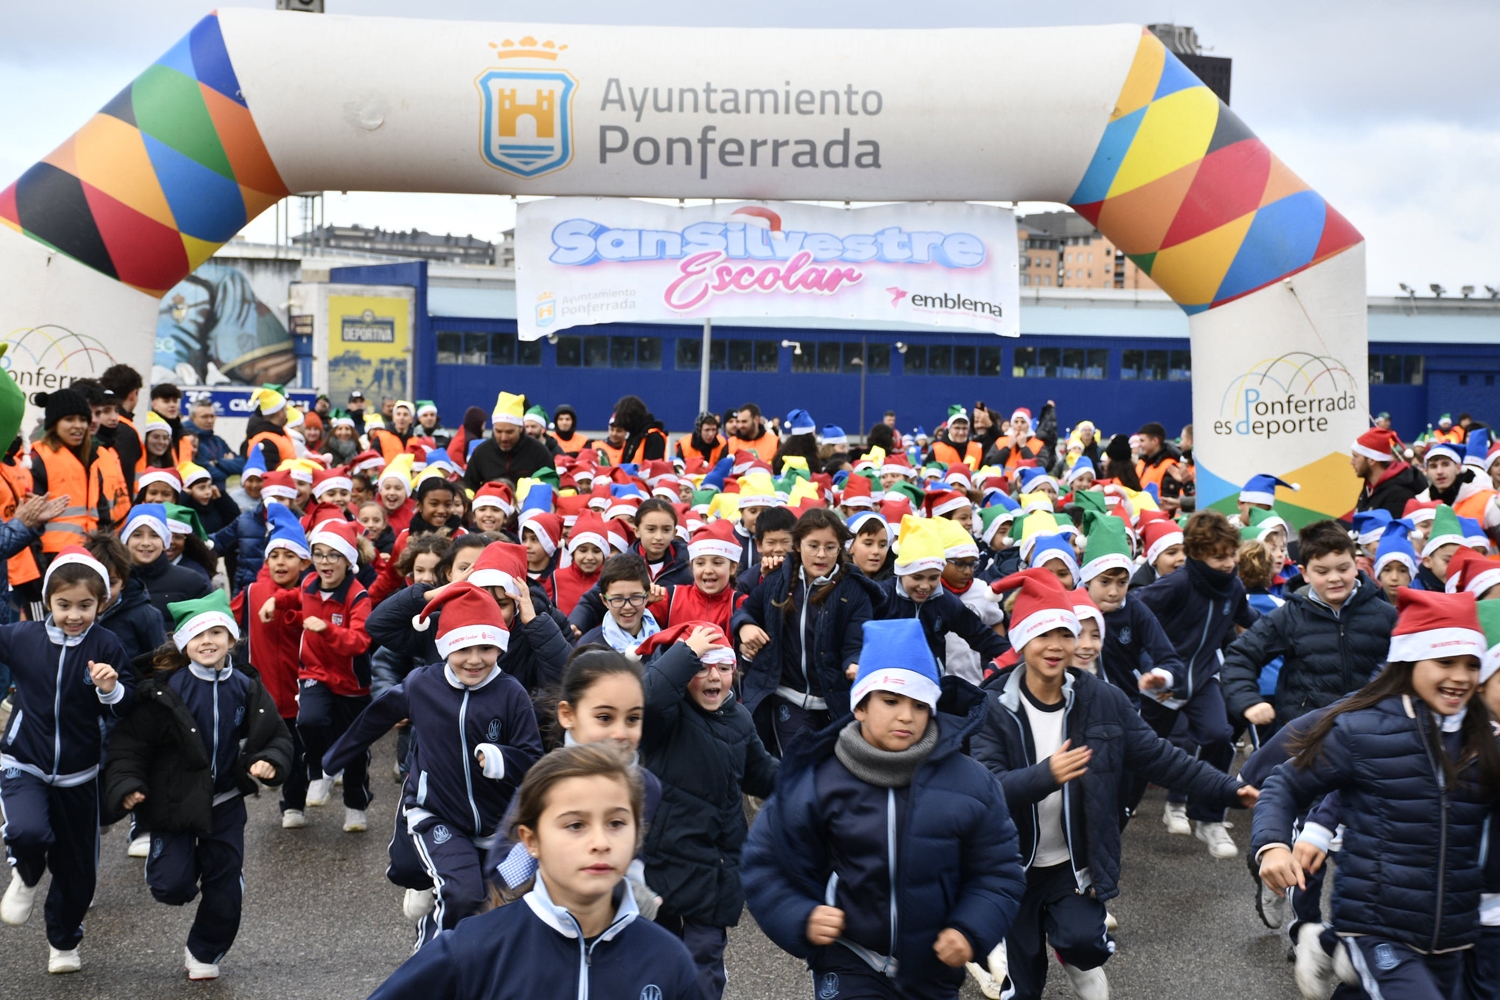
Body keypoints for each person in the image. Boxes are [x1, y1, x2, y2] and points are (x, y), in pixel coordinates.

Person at [972, 569, 1257, 1000]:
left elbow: (1159, 757)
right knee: (1026, 983)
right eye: (1043, 635)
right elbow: (988, 787)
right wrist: (1045, 775)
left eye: (1065, 635)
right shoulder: (992, 707)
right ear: (1021, 640)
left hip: (1075, 860)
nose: (1056, 647)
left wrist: (1227, 789)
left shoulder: (1103, 700)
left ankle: (1078, 957)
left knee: (1083, 943)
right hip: (1009, 865)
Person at [743, 618, 1026, 1000]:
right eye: (891, 701)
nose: (906, 716)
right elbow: (765, 863)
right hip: (848, 958)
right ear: (859, 706)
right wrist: (801, 915)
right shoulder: (817, 779)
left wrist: (969, 929)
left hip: (934, 968)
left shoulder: (972, 783)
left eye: (920, 704)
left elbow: (999, 871)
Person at [1253, 588, 1498, 1000]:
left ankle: (1330, 949)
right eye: (1445, 662)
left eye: (1471, 665)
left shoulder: (1484, 744)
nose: (1460, 676)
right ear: (1410, 659)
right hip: (1376, 925)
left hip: (1451, 934)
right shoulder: (1362, 728)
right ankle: (1341, 943)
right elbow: (1285, 783)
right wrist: (1274, 845)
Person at [364, 744, 698, 1000]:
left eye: (616, 823)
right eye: (575, 824)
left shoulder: (668, 959)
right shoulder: (472, 950)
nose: (600, 842)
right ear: (531, 840)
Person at [325, 583, 544, 947]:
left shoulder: (511, 693)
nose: (475, 659)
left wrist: (500, 758)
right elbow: (374, 718)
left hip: (497, 822)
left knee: (502, 905)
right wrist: (332, 761)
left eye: (486, 648)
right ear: (445, 647)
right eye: (463, 649)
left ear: (500, 647)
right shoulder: (422, 685)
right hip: (436, 814)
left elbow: (532, 759)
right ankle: (429, 965)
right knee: (463, 894)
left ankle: (476, 966)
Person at [102, 592, 291, 981]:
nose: (208, 641)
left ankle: (205, 951)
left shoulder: (245, 687)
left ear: (232, 640)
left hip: (224, 800)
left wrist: (270, 760)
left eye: (217, 632)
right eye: (198, 634)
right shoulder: (165, 691)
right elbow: (130, 744)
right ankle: (169, 865)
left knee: (225, 887)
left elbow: (276, 735)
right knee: (172, 887)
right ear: (184, 643)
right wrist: (128, 785)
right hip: (174, 801)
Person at [0, 547, 130, 974]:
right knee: (26, 830)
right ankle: (26, 873)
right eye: (64, 605)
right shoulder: (21, 638)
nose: (74, 614)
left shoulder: (107, 643)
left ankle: (63, 943)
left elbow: (124, 706)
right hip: (23, 759)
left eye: (85, 605)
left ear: (101, 603)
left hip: (80, 772)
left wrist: (110, 689)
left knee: (78, 875)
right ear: (48, 602)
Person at [637, 622, 778, 1000]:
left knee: (703, 966)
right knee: (658, 963)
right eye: (702, 667)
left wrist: (806, 778)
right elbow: (648, 698)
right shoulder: (667, 718)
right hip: (662, 863)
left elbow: (762, 774)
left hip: (715, 867)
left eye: (724, 668)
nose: (714, 676)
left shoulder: (740, 720)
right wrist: (685, 652)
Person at [1134, 510, 1259, 857]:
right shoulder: (1177, 583)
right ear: (1197, 554)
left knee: (1219, 736)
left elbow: (1249, 620)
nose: (1230, 563)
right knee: (1140, 754)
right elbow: (1135, 611)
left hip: (1203, 679)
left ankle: (1208, 819)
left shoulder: (1233, 587)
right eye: (1220, 557)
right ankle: (1119, 813)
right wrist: (1146, 664)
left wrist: (1288, 626)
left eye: (1232, 554)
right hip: (1162, 682)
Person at [1222, 520, 1397, 732]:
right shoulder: (1290, 616)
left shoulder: (1385, 615)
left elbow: (1408, 666)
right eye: (1322, 572)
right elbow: (1241, 656)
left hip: (1371, 730)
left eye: (1343, 568)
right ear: (1305, 573)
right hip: (1307, 733)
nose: (1334, 578)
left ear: (1355, 564)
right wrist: (1249, 700)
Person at [734, 508, 874, 754]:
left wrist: (855, 663)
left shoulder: (853, 591)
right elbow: (747, 609)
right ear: (798, 545)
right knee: (797, 763)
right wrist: (745, 626)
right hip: (788, 696)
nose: (821, 554)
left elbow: (856, 641)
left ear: (841, 548)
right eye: (813, 545)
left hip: (833, 700)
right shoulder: (779, 580)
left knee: (832, 766)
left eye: (830, 547)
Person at [267, 518, 374, 832]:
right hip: (314, 672)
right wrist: (277, 602)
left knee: (355, 747)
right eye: (319, 553)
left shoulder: (358, 596)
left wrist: (327, 630)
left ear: (347, 559)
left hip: (351, 683)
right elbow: (298, 597)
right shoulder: (308, 583)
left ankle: (356, 806)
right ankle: (319, 773)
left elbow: (360, 641)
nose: (325, 562)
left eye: (333, 555)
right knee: (308, 721)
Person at [235, 505, 314, 828]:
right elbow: (225, 620)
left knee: (299, 750)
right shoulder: (253, 592)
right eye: (275, 555)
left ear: (304, 562)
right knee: (265, 743)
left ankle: (293, 803)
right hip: (264, 691)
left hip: (301, 689)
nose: (281, 562)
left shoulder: (310, 593)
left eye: (289, 555)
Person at [880, 517, 1008, 671]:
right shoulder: (882, 596)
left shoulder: (944, 600)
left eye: (933, 578)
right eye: (917, 577)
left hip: (929, 683)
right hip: (885, 680)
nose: (925, 586)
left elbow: (979, 634)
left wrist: (1016, 657)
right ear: (901, 573)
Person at [29, 388, 122, 566]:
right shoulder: (39, 459)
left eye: (82, 419)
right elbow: (29, 521)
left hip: (89, 557)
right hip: (50, 559)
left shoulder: (92, 460)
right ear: (54, 424)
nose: (78, 425)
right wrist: (39, 567)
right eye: (69, 419)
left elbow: (102, 517)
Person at [121, 505, 213, 627]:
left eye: (154, 535)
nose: (146, 543)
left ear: (165, 542)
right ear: (126, 540)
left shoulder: (192, 582)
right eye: (137, 535)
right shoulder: (116, 582)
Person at [462, 392, 555, 488]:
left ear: (521, 428)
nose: (504, 438)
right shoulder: (481, 453)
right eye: (498, 431)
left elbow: (551, 488)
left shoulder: (539, 452)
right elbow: (468, 487)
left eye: (509, 432)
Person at [574, 554, 661, 653]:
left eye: (636, 597)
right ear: (604, 601)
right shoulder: (589, 648)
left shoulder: (662, 643)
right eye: (618, 599)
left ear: (647, 597)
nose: (627, 606)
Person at [1351, 426, 1427, 517]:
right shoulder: (1370, 487)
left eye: (1355, 456)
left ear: (1372, 460)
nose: (1351, 462)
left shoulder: (1398, 494)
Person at [98, 364, 145, 495]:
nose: (113, 418)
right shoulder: (126, 431)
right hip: (125, 508)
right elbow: (126, 474)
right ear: (133, 394)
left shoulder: (105, 429)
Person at [182, 398, 242, 490]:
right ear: (192, 418)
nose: (210, 421)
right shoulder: (189, 440)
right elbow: (214, 474)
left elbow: (241, 465)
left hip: (219, 494)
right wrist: (227, 465)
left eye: (212, 416)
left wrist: (216, 462)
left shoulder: (217, 441)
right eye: (204, 417)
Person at [983, 404, 1054, 472]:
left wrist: (1024, 447)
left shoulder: (1039, 445)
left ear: (1028, 425)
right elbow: (989, 464)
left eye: (1023, 422)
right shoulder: (1000, 441)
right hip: (1003, 482)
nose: (1019, 425)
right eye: (1016, 422)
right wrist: (1007, 448)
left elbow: (1039, 467)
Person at [928, 405, 985, 469]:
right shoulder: (937, 450)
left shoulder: (977, 448)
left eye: (964, 428)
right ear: (949, 429)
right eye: (957, 428)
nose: (961, 432)